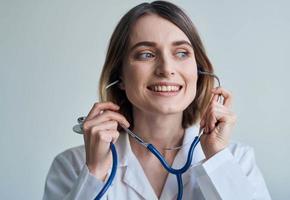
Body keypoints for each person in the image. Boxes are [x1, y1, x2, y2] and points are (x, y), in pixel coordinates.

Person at [43, 1, 271, 199]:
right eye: (146, 54)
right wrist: (94, 172)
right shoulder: (72, 166)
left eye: (181, 53)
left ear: (199, 70)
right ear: (119, 76)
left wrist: (217, 160)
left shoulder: (236, 160)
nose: (166, 69)